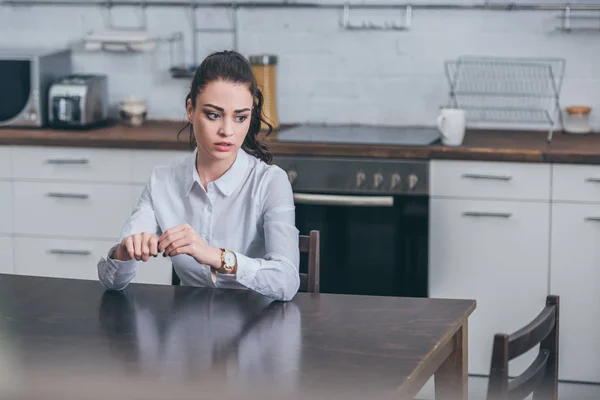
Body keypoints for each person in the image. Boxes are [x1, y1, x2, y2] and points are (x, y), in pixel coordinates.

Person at [97, 50, 300, 301]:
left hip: (257, 328)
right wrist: (125, 252)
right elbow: (110, 281)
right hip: (185, 332)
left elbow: (287, 281)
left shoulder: (270, 182)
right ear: (191, 110)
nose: (227, 130)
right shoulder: (162, 182)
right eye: (213, 115)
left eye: (240, 117)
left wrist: (217, 257)